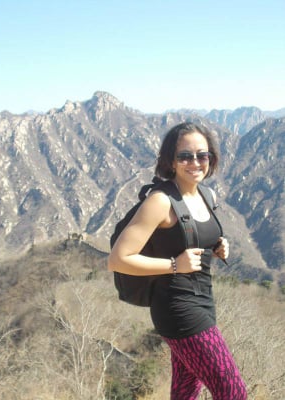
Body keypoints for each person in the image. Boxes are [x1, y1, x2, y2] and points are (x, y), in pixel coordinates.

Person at [108, 122, 247, 400]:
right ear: (170, 160)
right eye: (185, 156)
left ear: (211, 158)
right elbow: (118, 259)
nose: (194, 162)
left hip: (203, 301)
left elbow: (192, 238)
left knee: (186, 390)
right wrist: (174, 265)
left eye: (202, 155)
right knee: (233, 393)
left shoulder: (207, 196)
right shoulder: (159, 202)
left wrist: (218, 246)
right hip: (177, 309)